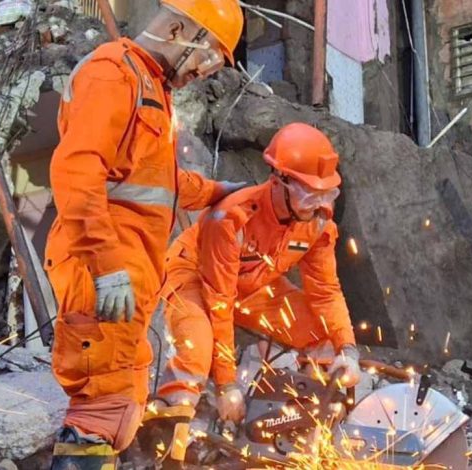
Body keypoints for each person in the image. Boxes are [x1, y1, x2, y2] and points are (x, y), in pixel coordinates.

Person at [45, 1, 244, 467]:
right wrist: (108, 267)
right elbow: (76, 172)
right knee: (101, 408)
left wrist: (218, 191)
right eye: (207, 57)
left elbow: (158, 183)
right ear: (177, 30)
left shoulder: (151, 86)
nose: (204, 72)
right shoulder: (113, 74)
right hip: (103, 272)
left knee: (123, 406)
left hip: (127, 280)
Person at [142, 123, 361, 464]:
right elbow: (219, 299)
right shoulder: (230, 217)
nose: (318, 205)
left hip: (252, 284)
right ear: (278, 180)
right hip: (194, 276)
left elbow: (326, 292)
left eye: (326, 194)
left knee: (324, 338)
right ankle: (167, 440)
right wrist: (227, 386)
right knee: (197, 350)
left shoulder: (318, 224)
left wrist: (348, 349)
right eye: (309, 195)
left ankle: (307, 430)